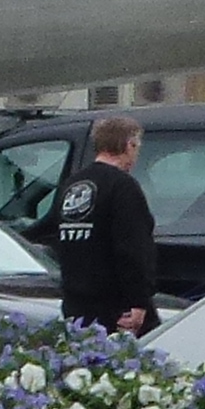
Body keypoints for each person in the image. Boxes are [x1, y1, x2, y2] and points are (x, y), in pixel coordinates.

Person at [46, 113, 158, 334]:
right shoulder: (123, 187)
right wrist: (138, 301)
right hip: (117, 310)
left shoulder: (71, 185)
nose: (136, 155)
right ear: (129, 144)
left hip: (76, 306)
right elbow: (133, 247)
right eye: (136, 147)